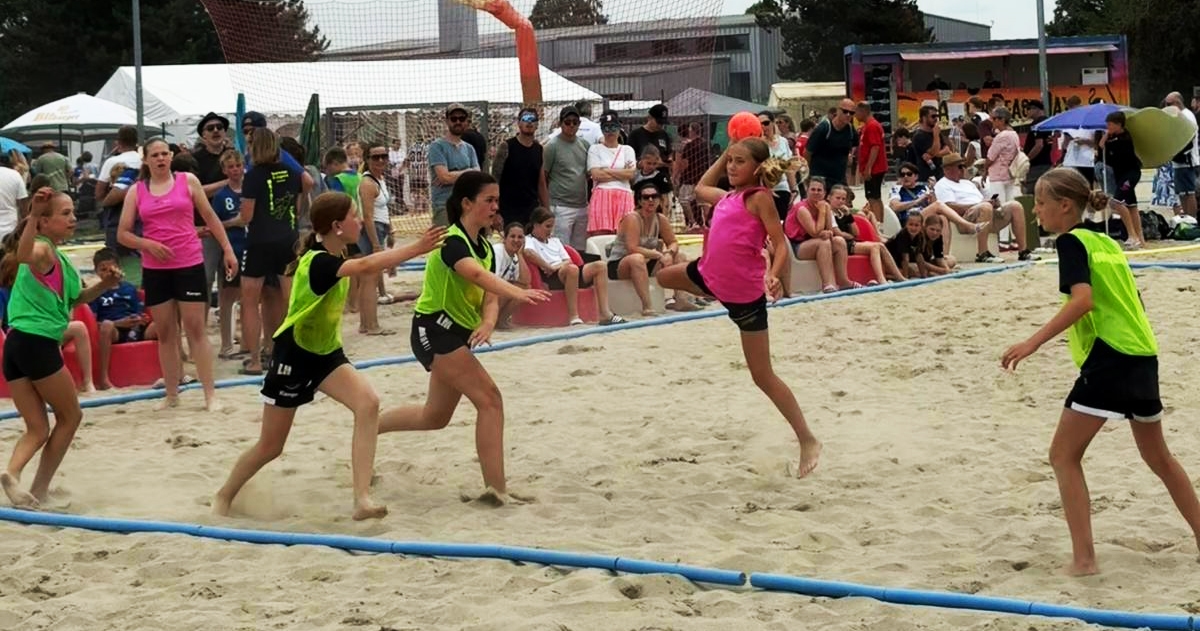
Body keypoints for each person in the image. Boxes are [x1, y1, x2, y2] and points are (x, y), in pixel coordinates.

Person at [1001, 168, 1200, 576]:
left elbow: (1083, 301)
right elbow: (1133, 299)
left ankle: (1084, 560)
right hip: (1142, 353)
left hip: (1110, 357)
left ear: (1065, 206)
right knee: (1159, 457)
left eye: (1041, 203)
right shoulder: (1106, 242)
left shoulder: (1071, 242)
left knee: (1063, 455)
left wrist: (1031, 342)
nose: (1036, 210)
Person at [215, 192, 447, 521]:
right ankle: (224, 495)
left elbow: (365, 267)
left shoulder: (337, 253)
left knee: (368, 403)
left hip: (325, 353)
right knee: (271, 446)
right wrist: (416, 248)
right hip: (294, 356)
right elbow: (365, 266)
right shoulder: (319, 261)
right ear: (337, 226)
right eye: (355, 215)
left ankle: (362, 498)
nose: (360, 220)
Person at [373, 172, 551, 504]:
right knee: (490, 400)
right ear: (467, 203)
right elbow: (477, 275)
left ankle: (370, 429)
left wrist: (488, 322)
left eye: (497, 201)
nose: (495, 207)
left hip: (457, 333)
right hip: (433, 330)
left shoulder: (484, 246)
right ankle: (497, 489)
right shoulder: (451, 241)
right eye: (489, 200)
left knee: (434, 417)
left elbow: (489, 296)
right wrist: (518, 292)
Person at [656, 138, 821, 477]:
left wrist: (774, 275)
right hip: (709, 277)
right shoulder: (727, 197)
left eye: (739, 161)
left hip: (745, 296)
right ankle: (709, 294)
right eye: (730, 160)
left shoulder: (759, 198)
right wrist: (726, 151)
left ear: (758, 168)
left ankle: (807, 439)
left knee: (762, 376)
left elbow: (780, 245)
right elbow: (700, 188)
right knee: (662, 277)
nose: (731, 167)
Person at [0, 189, 123, 509]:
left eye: (72, 212)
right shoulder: (43, 249)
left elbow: (77, 299)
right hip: (37, 343)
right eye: (65, 214)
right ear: (44, 222)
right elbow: (25, 253)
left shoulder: (62, 259)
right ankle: (40, 488)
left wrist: (105, 285)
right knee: (70, 416)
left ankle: (12, 474)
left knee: (37, 428)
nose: (73, 219)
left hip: (15, 345)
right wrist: (31, 216)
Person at [118, 138, 238, 410]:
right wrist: (147, 244)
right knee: (166, 332)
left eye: (165, 154)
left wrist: (228, 250)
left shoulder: (187, 181)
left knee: (196, 329)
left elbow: (210, 217)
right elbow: (123, 233)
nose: (161, 158)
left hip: (188, 262)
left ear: (171, 157)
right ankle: (172, 394)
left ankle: (210, 395)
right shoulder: (137, 191)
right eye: (155, 155)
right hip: (155, 268)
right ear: (146, 160)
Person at [238, 128, 301, 376]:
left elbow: (246, 216)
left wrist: (226, 222)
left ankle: (255, 360)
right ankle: (291, 354)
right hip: (288, 239)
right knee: (291, 299)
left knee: (250, 302)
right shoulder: (292, 172)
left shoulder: (253, 176)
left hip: (259, 241)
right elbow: (301, 197)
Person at [524, 206, 626, 326]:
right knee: (572, 269)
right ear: (536, 225)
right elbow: (528, 253)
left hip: (562, 269)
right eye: (547, 226)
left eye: (552, 227)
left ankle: (604, 312)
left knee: (600, 266)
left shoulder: (555, 241)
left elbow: (568, 260)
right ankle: (574, 315)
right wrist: (548, 266)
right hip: (550, 276)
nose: (550, 230)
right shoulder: (529, 240)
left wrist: (556, 266)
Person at [608, 180, 695, 315]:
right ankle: (647, 306)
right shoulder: (632, 218)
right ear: (639, 201)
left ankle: (681, 299)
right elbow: (632, 248)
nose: (650, 200)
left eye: (654, 196)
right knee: (637, 258)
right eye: (646, 197)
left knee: (679, 256)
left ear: (659, 200)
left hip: (646, 262)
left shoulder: (660, 219)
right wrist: (658, 255)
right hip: (620, 264)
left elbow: (673, 242)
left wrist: (669, 253)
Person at [934, 153, 1038, 262]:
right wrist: (981, 205)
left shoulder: (968, 184)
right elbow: (949, 207)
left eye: (963, 166)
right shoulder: (943, 184)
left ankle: (1023, 251)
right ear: (947, 169)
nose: (963, 169)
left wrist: (993, 203)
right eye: (960, 166)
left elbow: (981, 201)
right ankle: (982, 253)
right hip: (964, 219)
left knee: (1015, 206)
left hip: (984, 213)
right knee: (985, 207)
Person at [89, 248, 158, 390]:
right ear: (96, 272)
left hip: (135, 328)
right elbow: (93, 324)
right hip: (113, 331)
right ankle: (104, 378)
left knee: (163, 325)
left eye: (111, 269)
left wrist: (141, 319)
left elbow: (138, 312)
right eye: (103, 270)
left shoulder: (129, 288)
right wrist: (118, 323)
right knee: (107, 325)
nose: (108, 273)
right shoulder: (95, 293)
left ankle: (176, 370)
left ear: (118, 269)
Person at [784, 176, 856, 293]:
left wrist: (827, 224)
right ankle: (828, 283)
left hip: (814, 242)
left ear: (824, 193)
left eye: (819, 190)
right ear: (807, 190)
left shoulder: (825, 205)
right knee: (823, 243)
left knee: (839, 241)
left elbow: (830, 231)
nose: (816, 193)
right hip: (797, 246)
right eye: (813, 189)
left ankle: (843, 280)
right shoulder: (802, 209)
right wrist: (822, 211)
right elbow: (815, 232)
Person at [209, 150, 249, 359]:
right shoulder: (221, 196)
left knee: (249, 297)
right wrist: (235, 222)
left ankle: (247, 341)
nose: (235, 170)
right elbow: (214, 225)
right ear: (224, 170)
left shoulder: (251, 190)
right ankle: (226, 344)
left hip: (251, 248)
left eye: (238, 165)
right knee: (227, 298)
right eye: (230, 167)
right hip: (232, 249)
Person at [356, 142, 396, 335]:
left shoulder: (379, 179)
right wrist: (376, 244)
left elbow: (383, 209)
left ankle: (366, 324)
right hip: (372, 231)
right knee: (369, 280)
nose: (380, 160)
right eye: (375, 157)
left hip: (380, 228)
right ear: (367, 159)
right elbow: (368, 217)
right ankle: (370, 325)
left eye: (384, 156)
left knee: (368, 279)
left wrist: (391, 231)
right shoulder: (367, 183)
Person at [827, 184, 903, 284]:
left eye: (843, 199)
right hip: (840, 245)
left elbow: (856, 233)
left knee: (881, 246)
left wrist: (849, 216)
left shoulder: (843, 213)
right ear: (829, 197)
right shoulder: (828, 213)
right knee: (875, 247)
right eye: (838, 198)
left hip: (850, 242)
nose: (841, 201)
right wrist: (849, 236)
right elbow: (838, 233)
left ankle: (899, 276)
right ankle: (881, 279)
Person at [540, 106, 591, 252]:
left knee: (580, 249)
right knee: (561, 249)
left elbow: (587, 174)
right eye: (567, 122)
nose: (571, 125)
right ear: (560, 123)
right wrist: (546, 204)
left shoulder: (585, 145)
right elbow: (544, 176)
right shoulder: (551, 146)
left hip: (582, 205)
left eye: (575, 122)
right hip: (560, 206)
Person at [428, 103, 481, 227]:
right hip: (444, 206)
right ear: (447, 121)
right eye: (454, 119)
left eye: (461, 118)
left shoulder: (469, 148)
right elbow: (444, 177)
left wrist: (453, 174)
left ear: (467, 121)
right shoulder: (437, 146)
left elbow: (477, 175)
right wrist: (469, 171)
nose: (458, 122)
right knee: (446, 238)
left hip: (467, 206)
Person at [1099, 111, 1146, 249]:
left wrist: (1104, 140)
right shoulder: (1114, 138)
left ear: (1118, 124)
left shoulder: (1124, 138)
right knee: (1131, 205)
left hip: (1130, 175)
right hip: (1121, 175)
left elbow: (1106, 147)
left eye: (1110, 124)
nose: (1107, 127)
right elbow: (1104, 154)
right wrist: (1105, 140)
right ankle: (1140, 238)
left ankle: (1132, 235)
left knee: (1117, 202)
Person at [586, 110, 637, 236]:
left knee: (624, 234)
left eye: (613, 127)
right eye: (606, 128)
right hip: (601, 194)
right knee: (601, 234)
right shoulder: (595, 149)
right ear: (602, 130)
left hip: (624, 193)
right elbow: (596, 175)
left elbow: (630, 174)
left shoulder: (627, 150)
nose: (610, 132)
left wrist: (606, 170)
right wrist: (622, 172)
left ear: (619, 129)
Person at [492, 107, 544, 229]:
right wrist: (496, 212)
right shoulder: (506, 146)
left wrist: (546, 211)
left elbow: (541, 183)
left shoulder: (539, 149)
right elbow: (494, 179)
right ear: (519, 123)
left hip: (531, 210)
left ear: (537, 124)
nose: (529, 122)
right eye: (525, 118)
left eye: (533, 119)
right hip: (508, 210)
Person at [804, 99, 857, 187]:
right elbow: (807, 152)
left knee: (845, 195)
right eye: (845, 111)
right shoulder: (824, 128)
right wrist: (807, 174)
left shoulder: (850, 129)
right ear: (838, 111)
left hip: (839, 177)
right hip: (821, 177)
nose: (848, 115)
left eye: (851, 113)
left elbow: (855, 144)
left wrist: (850, 155)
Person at [759, 110, 798, 220]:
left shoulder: (783, 141)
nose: (763, 126)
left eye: (766, 123)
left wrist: (794, 189)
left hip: (782, 188)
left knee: (782, 221)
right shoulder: (758, 143)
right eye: (760, 124)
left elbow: (788, 167)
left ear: (772, 123)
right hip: (764, 190)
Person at [492, 222, 531, 329]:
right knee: (512, 289)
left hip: (499, 293)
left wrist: (520, 255)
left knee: (525, 289)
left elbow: (526, 282)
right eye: (512, 236)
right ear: (505, 239)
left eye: (520, 237)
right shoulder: (497, 250)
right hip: (487, 293)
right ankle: (490, 319)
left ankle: (501, 320)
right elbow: (493, 279)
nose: (516, 240)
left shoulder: (516, 256)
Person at [855, 102, 888, 223]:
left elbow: (875, 147)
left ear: (863, 111)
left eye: (856, 112)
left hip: (875, 168)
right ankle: (880, 223)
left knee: (873, 198)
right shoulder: (867, 126)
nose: (855, 115)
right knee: (874, 196)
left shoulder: (872, 126)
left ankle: (878, 224)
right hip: (874, 168)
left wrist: (868, 168)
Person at [981, 107, 1021, 204]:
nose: (992, 121)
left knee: (997, 203)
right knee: (1010, 203)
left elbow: (991, 157)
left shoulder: (1001, 136)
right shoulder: (1014, 134)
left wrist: (985, 170)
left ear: (1002, 120)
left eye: (994, 118)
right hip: (1010, 173)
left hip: (997, 176)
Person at [886, 213, 924, 278]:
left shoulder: (920, 236)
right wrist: (905, 277)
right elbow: (905, 259)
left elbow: (919, 257)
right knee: (909, 272)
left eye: (916, 225)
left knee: (916, 272)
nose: (913, 228)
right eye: (911, 224)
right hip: (888, 261)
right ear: (906, 225)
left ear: (921, 227)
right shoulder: (903, 235)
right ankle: (888, 275)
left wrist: (923, 276)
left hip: (897, 262)